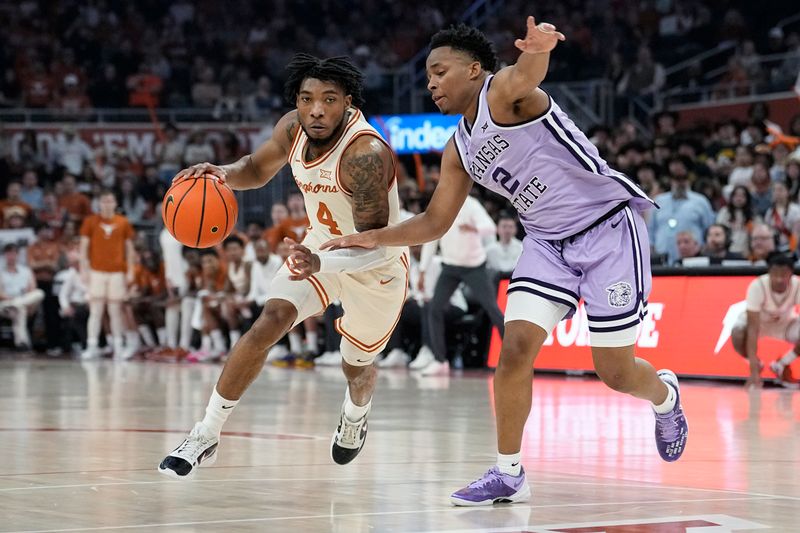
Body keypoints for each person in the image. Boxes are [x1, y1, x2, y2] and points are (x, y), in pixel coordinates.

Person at [322, 20, 688, 506]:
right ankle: (509, 472)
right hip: (546, 243)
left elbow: (526, 75)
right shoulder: (458, 150)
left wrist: (539, 51)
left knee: (615, 372)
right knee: (514, 349)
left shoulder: (504, 94)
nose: (430, 83)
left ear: (475, 70)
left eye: (440, 71)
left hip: (607, 231)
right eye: (427, 75)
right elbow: (434, 222)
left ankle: (665, 397)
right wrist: (375, 236)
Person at [159, 54, 409, 478]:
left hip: (375, 266)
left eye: (329, 100)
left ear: (347, 101)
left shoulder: (365, 153)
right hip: (318, 247)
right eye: (307, 98)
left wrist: (321, 260)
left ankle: (355, 413)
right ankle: (206, 433)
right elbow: (255, 168)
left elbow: (375, 242)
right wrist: (222, 173)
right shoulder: (292, 128)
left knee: (356, 367)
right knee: (269, 320)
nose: (316, 109)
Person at [79, 190, 136, 359]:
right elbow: (83, 247)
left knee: (115, 310)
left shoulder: (123, 222)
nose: (107, 204)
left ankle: (118, 346)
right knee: (96, 311)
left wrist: (131, 270)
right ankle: (92, 345)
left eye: (110, 201)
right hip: (96, 271)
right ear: (99, 203)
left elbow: (129, 249)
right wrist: (84, 269)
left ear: (115, 203)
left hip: (117, 272)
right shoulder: (90, 221)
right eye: (103, 201)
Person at [731, 252, 800, 388]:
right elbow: (752, 328)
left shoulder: (797, 285)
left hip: (784, 324)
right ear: (769, 273)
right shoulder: (757, 286)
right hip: (758, 324)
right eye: (775, 274)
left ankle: (781, 364)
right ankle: (756, 365)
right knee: (737, 333)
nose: (779, 279)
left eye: (784, 274)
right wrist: (753, 371)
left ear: (791, 274)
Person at [0, 243, 45, 350]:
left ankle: (18, 303)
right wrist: (10, 299)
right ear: (5, 255)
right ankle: (22, 343)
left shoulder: (26, 271)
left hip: (24, 301)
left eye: (13, 253)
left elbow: (33, 288)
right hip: (6, 304)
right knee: (20, 310)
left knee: (40, 293)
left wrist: (25, 296)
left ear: (17, 255)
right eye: (8, 253)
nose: (11, 256)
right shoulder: (0, 272)